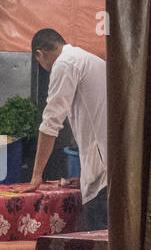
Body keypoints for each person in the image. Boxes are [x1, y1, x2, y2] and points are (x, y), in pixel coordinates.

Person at [16, 29, 108, 229]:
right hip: (114, 169)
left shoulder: (64, 64)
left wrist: (36, 176)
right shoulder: (90, 60)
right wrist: (85, 175)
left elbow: (50, 123)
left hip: (102, 178)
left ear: (40, 54)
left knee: (99, 247)